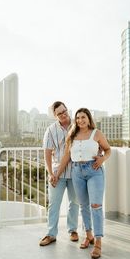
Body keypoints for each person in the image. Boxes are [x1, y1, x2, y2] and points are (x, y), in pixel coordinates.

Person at [55, 108, 111, 259]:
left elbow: (107, 150)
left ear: (89, 118)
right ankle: (89, 235)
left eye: (83, 117)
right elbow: (67, 156)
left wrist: (102, 159)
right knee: (83, 206)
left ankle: (98, 242)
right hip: (77, 171)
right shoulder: (71, 135)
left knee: (96, 206)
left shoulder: (96, 133)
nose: (80, 120)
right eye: (78, 117)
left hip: (94, 170)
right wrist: (57, 174)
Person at [39, 101, 79, 246]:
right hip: (57, 174)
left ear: (67, 110)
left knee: (74, 203)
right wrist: (50, 173)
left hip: (75, 172)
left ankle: (73, 230)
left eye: (64, 111)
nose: (63, 115)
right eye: (59, 113)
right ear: (55, 116)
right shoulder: (50, 130)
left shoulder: (78, 125)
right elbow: (47, 153)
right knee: (54, 204)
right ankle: (51, 234)